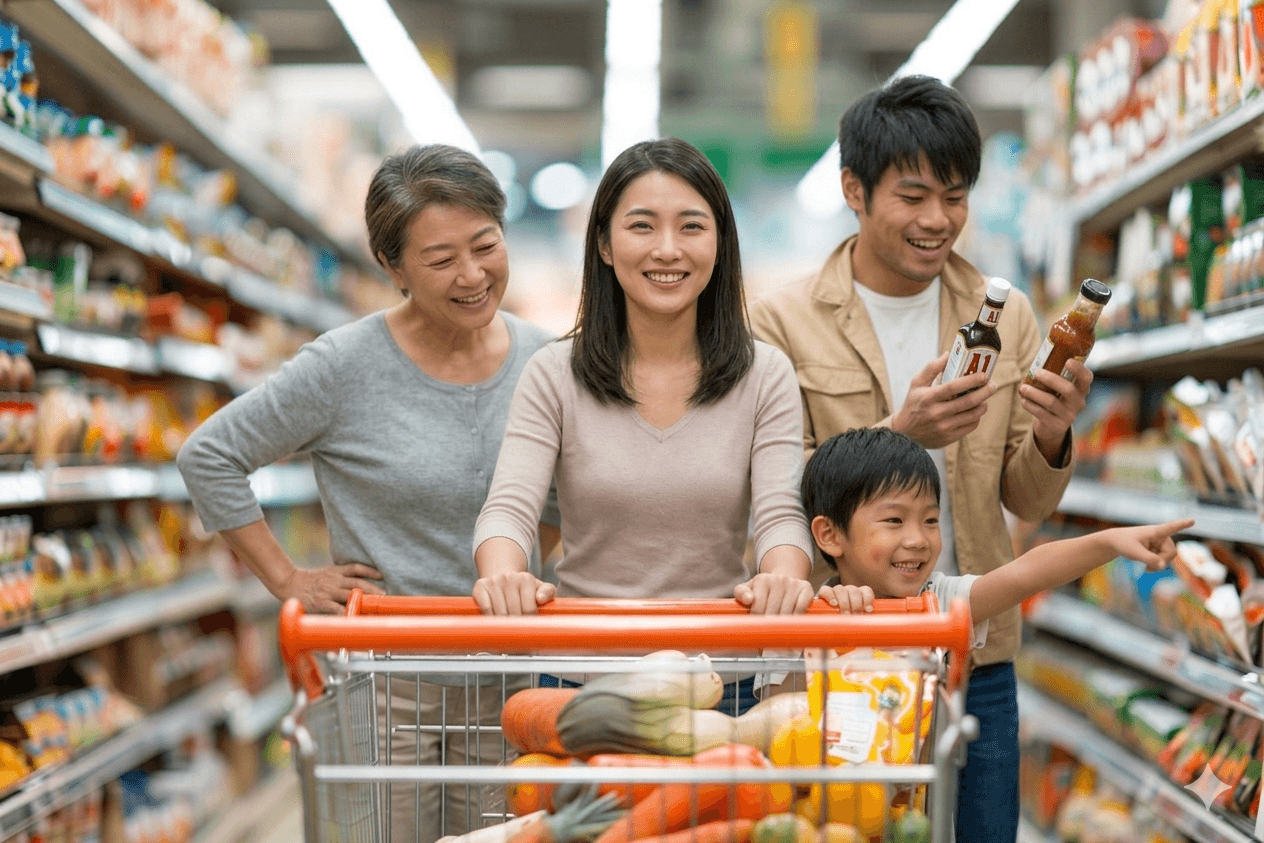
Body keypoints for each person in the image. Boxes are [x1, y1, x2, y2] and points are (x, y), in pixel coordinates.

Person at [176, 144, 559, 843]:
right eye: (442, 260)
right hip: (385, 685)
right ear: (393, 267)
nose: (473, 275)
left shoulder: (548, 360)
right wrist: (288, 578)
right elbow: (210, 454)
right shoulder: (345, 366)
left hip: (514, 680)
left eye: (486, 246)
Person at [749, 75, 1091, 843]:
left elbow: (1026, 499)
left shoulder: (1005, 314)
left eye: (956, 195)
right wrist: (897, 432)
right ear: (854, 191)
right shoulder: (783, 320)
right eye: (913, 196)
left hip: (975, 650)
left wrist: (1052, 435)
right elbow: (774, 487)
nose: (939, 220)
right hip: (839, 651)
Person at [471, 137, 817, 711]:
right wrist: (504, 573)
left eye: (691, 227)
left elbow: (781, 513)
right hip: (581, 680)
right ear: (604, 244)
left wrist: (782, 576)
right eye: (641, 226)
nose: (667, 250)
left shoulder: (766, 374)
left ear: (720, 242)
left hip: (717, 683)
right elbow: (509, 508)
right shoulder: (554, 374)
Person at [804, 427, 1191, 662]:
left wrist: (1111, 541)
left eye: (931, 521)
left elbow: (1026, 573)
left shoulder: (940, 600)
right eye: (894, 520)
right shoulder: (806, 616)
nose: (918, 540)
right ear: (830, 535)